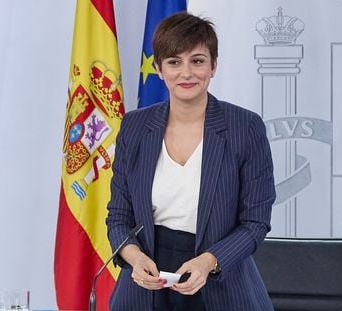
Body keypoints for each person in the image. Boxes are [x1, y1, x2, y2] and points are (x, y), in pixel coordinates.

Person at [106, 12, 276, 311]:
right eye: (174, 62)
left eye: (197, 61)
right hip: (147, 285)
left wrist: (208, 261)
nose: (186, 73)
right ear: (158, 68)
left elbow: (255, 222)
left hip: (223, 283)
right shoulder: (134, 127)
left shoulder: (245, 127)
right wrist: (134, 256)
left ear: (213, 66)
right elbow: (118, 217)